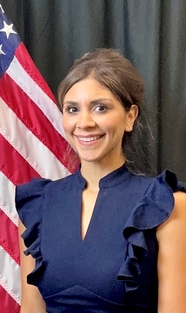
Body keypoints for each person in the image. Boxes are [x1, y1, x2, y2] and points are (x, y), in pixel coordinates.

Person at [15, 48, 186, 313]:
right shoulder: (37, 205)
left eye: (100, 108)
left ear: (130, 117)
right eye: (72, 109)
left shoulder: (166, 204)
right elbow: (31, 309)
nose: (84, 122)